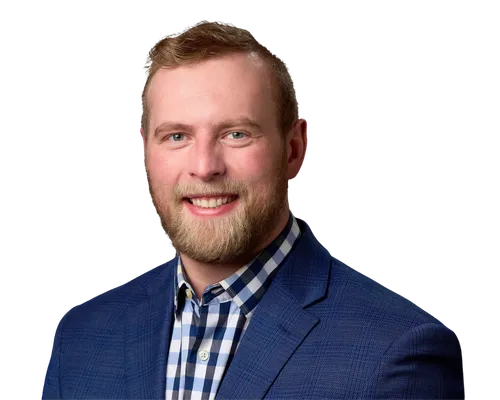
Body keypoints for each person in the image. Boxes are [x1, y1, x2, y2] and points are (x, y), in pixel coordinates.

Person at [41, 18, 465, 399]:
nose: (205, 166)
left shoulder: (396, 353)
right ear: (145, 153)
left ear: (295, 149)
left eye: (236, 134)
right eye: (176, 136)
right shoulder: (81, 338)